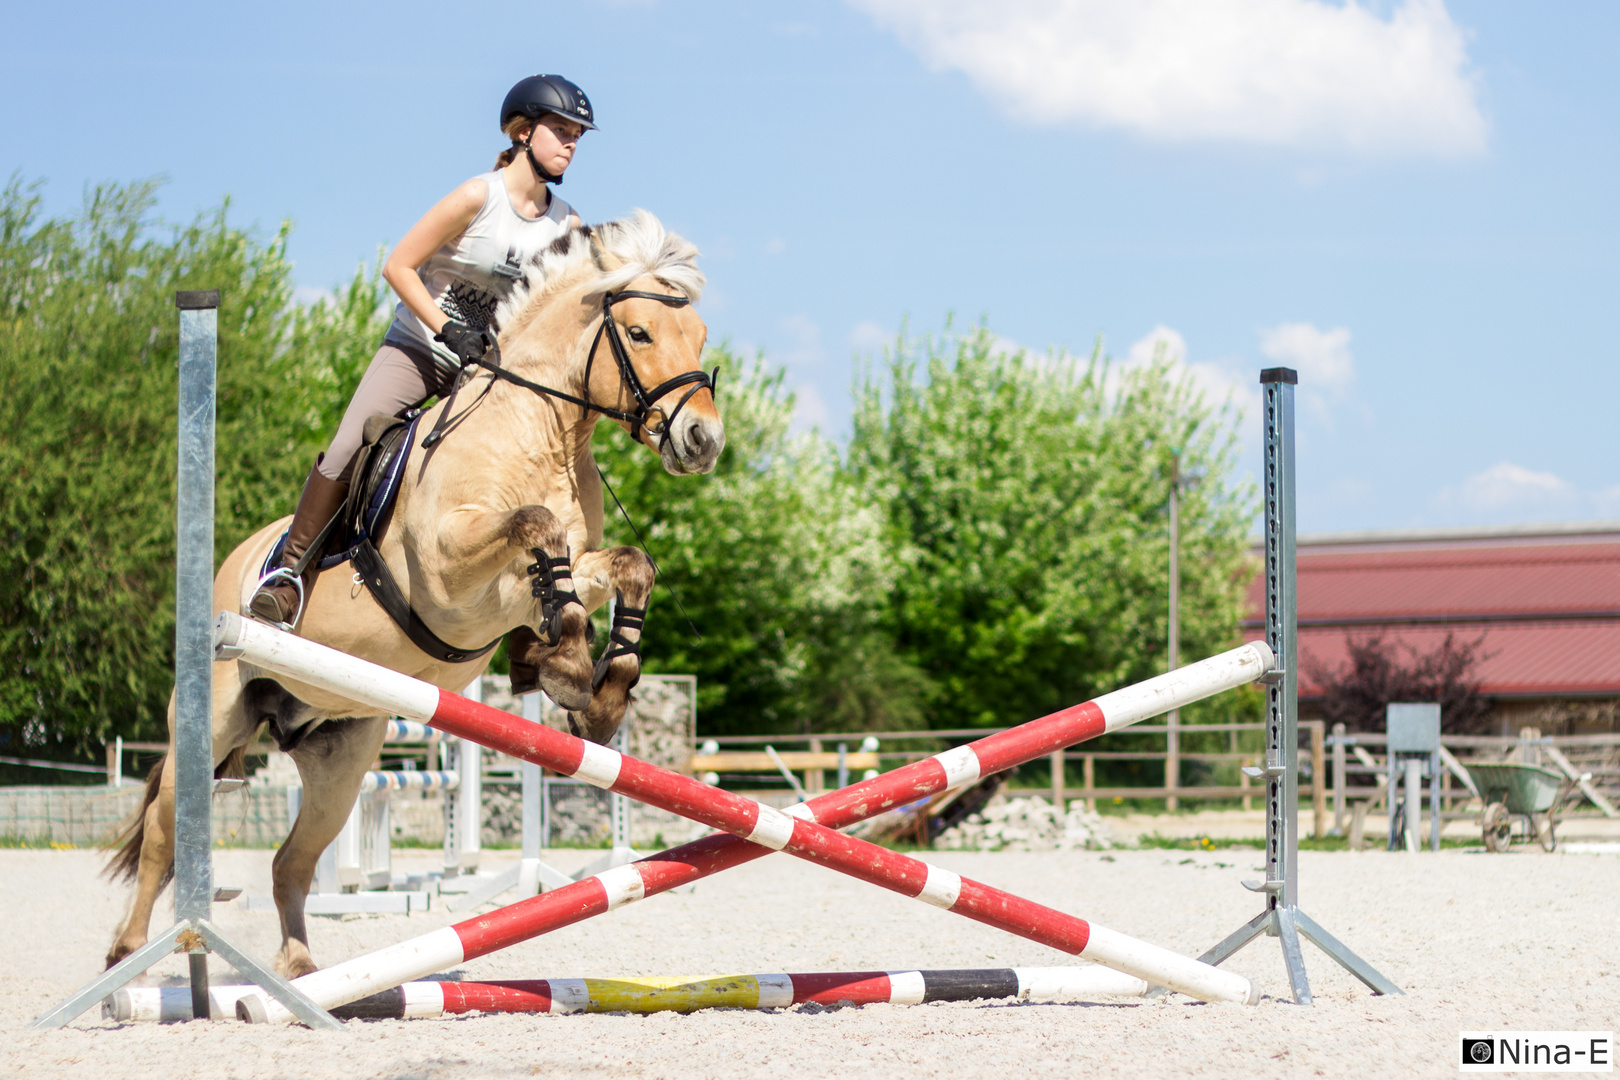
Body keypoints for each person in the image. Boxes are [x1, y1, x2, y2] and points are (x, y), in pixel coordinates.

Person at [249, 74, 595, 626]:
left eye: (578, 133)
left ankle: (534, 621)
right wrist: (446, 328)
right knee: (346, 445)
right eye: (561, 130)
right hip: (418, 350)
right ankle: (290, 574)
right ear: (523, 133)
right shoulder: (478, 196)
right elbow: (398, 266)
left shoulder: (566, 224)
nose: (572, 142)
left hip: (486, 375)